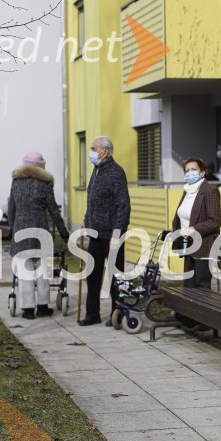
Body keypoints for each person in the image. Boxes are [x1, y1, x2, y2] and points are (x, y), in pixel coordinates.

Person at [8, 152, 70, 320]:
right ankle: (42, 306)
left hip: (20, 231)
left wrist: (12, 229)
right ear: (42, 166)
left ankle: (28, 309)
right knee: (43, 271)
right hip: (40, 232)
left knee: (24, 271)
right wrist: (64, 233)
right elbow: (53, 211)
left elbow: (11, 208)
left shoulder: (16, 182)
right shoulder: (45, 183)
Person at [78, 136, 131, 327]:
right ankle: (93, 314)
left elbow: (122, 205)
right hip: (95, 232)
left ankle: (119, 312)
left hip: (111, 234)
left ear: (105, 152)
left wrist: (117, 233)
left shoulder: (116, 172)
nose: (90, 151)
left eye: (93, 148)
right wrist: (86, 220)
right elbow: (92, 200)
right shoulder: (97, 170)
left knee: (115, 275)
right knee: (93, 275)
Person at [171, 157, 221, 330]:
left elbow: (214, 221)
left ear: (202, 172)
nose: (189, 173)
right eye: (186, 170)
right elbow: (181, 216)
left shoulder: (209, 191)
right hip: (188, 245)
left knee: (201, 284)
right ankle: (190, 318)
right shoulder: (188, 191)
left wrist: (194, 229)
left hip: (204, 244)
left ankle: (204, 321)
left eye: (193, 170)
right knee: (189, 284)